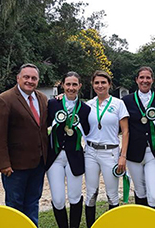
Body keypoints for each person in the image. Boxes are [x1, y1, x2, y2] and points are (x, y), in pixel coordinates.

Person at [0, 63, 48, 226]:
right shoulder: (4, 100)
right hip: (15, 167)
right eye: (26, 77)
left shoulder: (42, 99)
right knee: (15, 206)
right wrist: (3, 164)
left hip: (38, 164)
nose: (30, 81)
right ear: (18, 78)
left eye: (34, 78)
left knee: (33, 203)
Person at [84, 70, 129, 228]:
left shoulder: (118, 103)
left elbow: (125, 131)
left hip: (110, 152)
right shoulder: (88, 105)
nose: (100, 85)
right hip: (90, 152)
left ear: (109, 84)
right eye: (97, 82)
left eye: (103, 82)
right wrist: (60, 97)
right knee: (91, 194)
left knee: (112, 195)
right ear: (93, 84)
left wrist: (123, 156)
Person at [46, 72, 91, 228]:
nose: (71, 88)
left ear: (79, 86)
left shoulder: (85, 109)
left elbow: (89, 132)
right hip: (54, 158)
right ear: (63, 86)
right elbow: (43, 126)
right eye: (68, 84)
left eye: (74, 84)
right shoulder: (52, 104)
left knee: (74, 197)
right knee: (58, 199)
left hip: (75, 157)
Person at [122, 66, 155, 211]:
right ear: (136, 80)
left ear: (152, 80)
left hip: (154, 152)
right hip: (134, 153)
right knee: (140, 192)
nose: (144, 81)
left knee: (153, 195)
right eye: (142, 77)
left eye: (148, 77)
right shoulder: (126, 100)